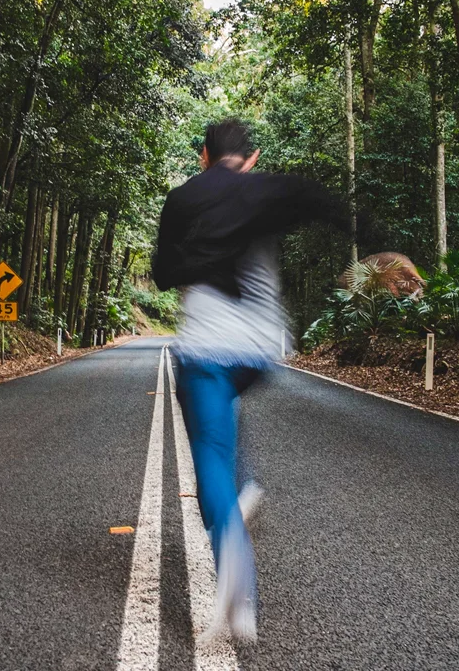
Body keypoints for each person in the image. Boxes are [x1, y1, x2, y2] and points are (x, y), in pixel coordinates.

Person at [152, 118, 344, 643]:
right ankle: (245, 486)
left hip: (208, 349)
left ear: (204, 157)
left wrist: (201, 251)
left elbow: (164, 273)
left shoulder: (184, 198)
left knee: (209, 452)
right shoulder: (267, 190)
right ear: (252, 158)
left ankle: (235, 567)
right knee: (225, 418)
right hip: (261, 351)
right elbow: (329, 206)